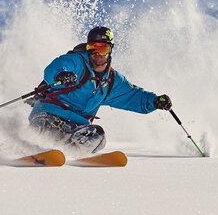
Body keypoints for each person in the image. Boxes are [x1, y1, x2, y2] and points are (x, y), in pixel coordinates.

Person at [28, 26, 172, 153]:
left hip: (76, 128)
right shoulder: (77, 62)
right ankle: (28, 145)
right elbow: (53, 69)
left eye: (103, 49)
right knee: (49, 130)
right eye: (93, 48)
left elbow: (133, 96)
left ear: (110, 51)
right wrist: (62, 75)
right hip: (49, 114)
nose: (98, 54)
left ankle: (69, 153)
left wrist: (155, 101)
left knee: (98, 136)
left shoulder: (112, 81)